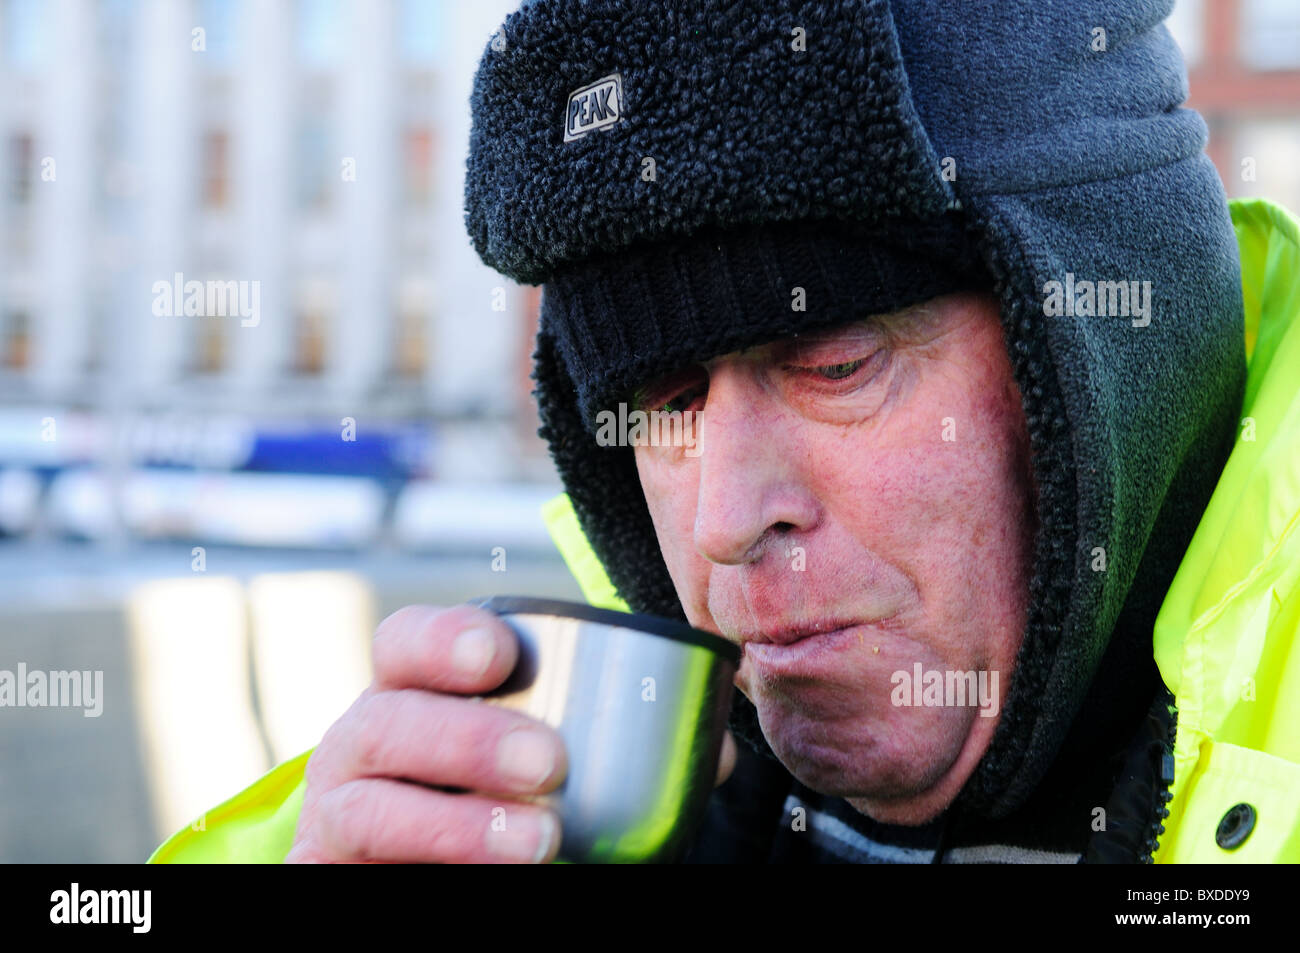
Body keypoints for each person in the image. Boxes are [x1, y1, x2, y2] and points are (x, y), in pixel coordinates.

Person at [148, 0, 1300, 864]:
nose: (727, 519)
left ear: (1113, 363)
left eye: (836, 366)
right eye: (664, 407)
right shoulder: (493, 815)